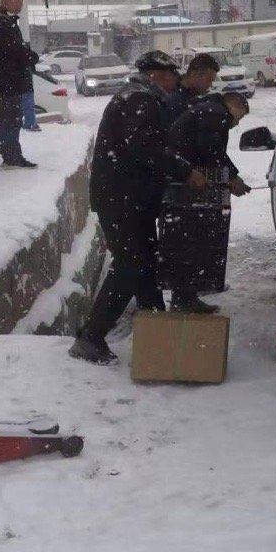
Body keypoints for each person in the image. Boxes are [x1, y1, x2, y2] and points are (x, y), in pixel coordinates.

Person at [69, 50, 207, 365]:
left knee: (144, 260)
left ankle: (155, 326)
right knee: (131, 263)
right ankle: (91, 337)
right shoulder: (139, 101)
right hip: (121, 198)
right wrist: (185, 170)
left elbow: (150, 147)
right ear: (157, 75)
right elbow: (146, 147)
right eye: (171, 74)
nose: (175, 80)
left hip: (130, 196)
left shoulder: (142, 98)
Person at [165, 90, 252, 313]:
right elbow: (211, 152)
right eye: (239, 117)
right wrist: (232, 178)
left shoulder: (207, 108)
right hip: (185, 183)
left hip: (180, 178)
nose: (235, 124)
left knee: (186, 242)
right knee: (193, 241)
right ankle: (185, 298)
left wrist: (229, 177)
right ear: (233, 107)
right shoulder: (216, 114)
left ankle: (185, 295)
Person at [0, 0, 40, 168]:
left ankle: (11, 155)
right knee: (10, 120)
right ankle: (12, 157)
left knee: (10, 119)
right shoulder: (0, 24)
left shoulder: (3, 21)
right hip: (4, 82)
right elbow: (11, 51)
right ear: (4, 1)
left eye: (21, 1)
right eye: (15, 1)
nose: (19, 5)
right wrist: (29, 56)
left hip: (4, 81)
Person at [164, 52, 221, 124]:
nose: (210, 85)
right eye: (209, 80)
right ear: (193, 74)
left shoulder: (191, 98)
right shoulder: (176, 100)